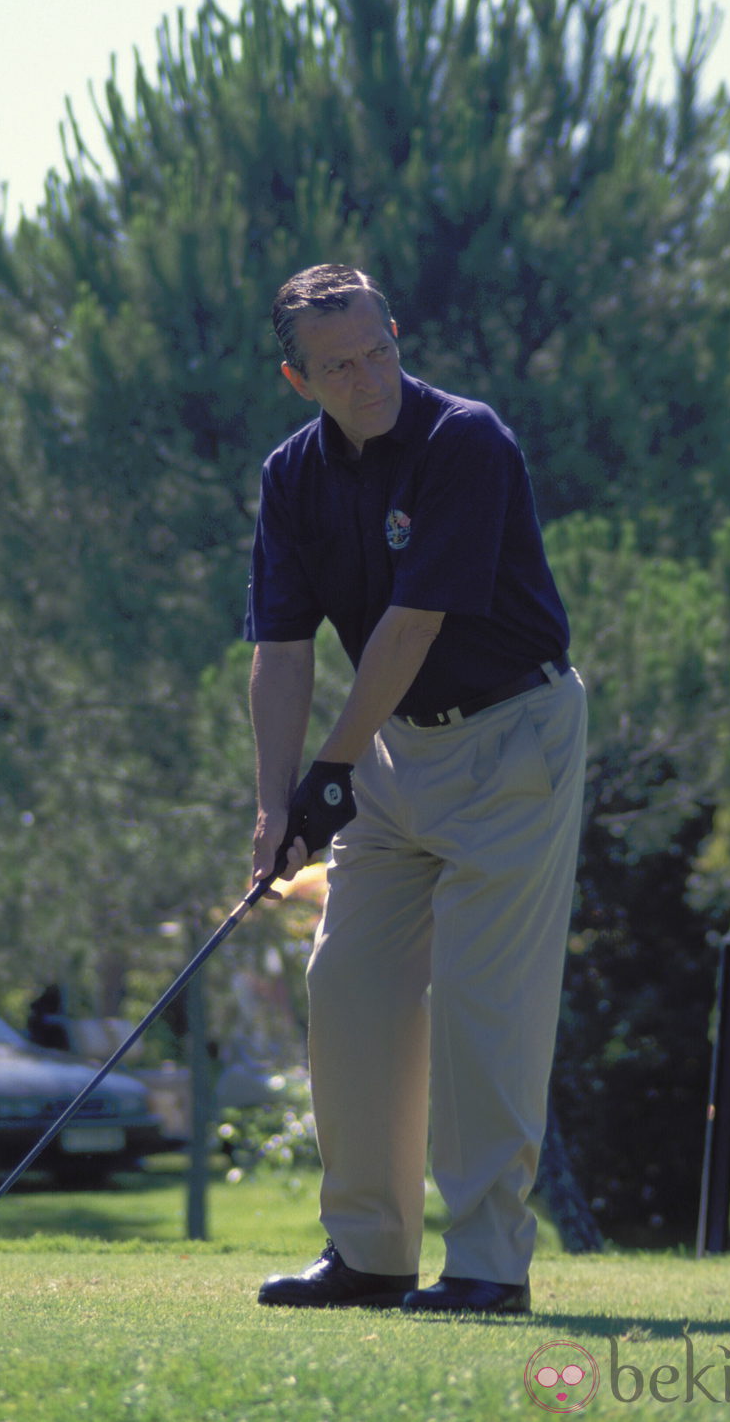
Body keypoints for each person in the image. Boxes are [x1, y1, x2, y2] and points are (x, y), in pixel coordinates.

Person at [245, 263, 588, 1316]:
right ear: (297, 376)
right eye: (338, 366)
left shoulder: (463, 439)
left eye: (377, 350)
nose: (366, 378)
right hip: (393, 745)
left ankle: (488, 1263)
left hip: (508, 741)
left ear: (396, 331)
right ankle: (370, 1252)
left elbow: (411, 623)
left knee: (483, 1010)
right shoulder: (291, 475)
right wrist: (274, 808)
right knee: (348, 984)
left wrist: (332, 770)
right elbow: (282, 647)